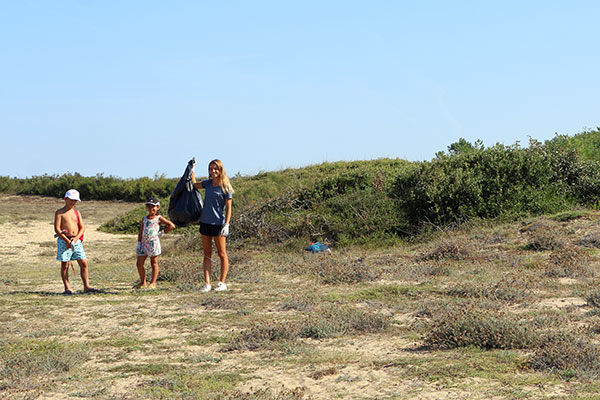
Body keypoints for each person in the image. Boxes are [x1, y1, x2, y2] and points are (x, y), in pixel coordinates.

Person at [191, 159, 234, 292]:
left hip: (218, 224)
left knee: (222, 253)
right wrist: (191, 169)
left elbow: (228, 208)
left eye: (215, 169)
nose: (213, 171)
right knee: (207, 253)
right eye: (211, 169)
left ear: (220, 170)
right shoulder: (208, 184)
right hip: (205, 222)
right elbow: (194, 185)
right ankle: (207, 283)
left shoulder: (225, 187)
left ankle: (222, 282)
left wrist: (226, 224)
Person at [54, 189, 97, 295]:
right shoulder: (59, 213)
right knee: (65, 264)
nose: (73, 203)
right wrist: (67, 240)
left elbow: (82, 227)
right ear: (65, 199)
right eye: (71, 200)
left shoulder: (77, 213)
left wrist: (76, 238)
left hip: (76, 241)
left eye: (75, 201)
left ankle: (86, 286)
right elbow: (57, 229)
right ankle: (67, 288)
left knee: (83, 263)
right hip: (64, 241)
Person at [135, 197, 176, 289]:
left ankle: (153, 283)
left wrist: (162, 232)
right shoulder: (144, 219)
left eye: (153, 206)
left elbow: (171, 225)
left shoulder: (158, 218)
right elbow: (141, 231)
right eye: (148, 206)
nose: (151, 208)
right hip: (143, 244)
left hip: (153, 243)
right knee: (139, 263)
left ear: (157, 207)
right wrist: (139, 243)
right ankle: (142, 282)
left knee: (154, 262)